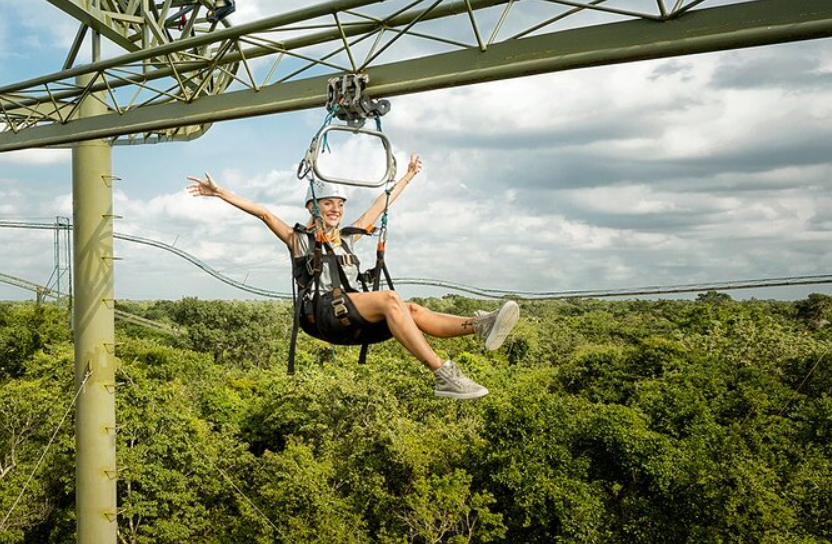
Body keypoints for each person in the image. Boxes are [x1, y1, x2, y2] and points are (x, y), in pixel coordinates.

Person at [186, 154, 519, 399]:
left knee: (412, 310)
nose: (336, 210)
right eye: (328, 204)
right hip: (323, 314)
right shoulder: (299, 240)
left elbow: (380, 206)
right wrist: (220, 193)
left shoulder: (347, 238)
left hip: (351, 313)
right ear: (313, 207)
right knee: (391, 299)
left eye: (339, 205)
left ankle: (479, 325)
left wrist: (409, 176)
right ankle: (443, 375)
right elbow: (264, 213)